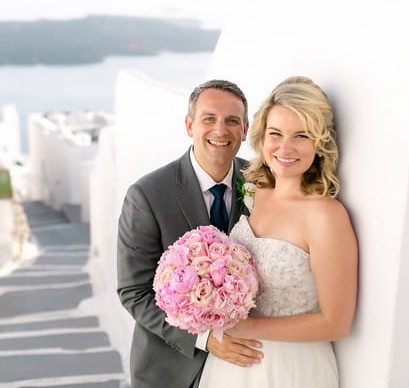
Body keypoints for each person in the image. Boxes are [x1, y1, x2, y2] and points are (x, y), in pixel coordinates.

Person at [198, 76, 358, 387]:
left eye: (301, 136)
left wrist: (246, 328)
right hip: (229, 366)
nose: (285, 148)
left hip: (291, 369)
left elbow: (336, 323)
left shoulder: (325, 215)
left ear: (320, 142)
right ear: (261, 136)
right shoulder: (256, 193)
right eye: (276, 134)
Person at [117, 80, 264, 388]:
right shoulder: (147, 196)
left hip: (248, 368)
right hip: (170, 371)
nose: (220, 130)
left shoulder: (261, 184)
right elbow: (134, 291)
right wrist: (205, 338)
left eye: (232, 121)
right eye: (209, 118)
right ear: (189, 125)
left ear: (245, 128)